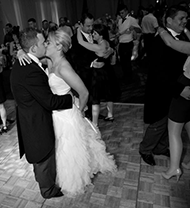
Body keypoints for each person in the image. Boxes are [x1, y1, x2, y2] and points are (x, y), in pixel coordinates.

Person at [45, 29, 117, 196]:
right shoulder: (50, 60)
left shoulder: (63, 67)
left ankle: (73, 180)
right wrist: (20, 52)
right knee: (58, 146)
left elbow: (84, 92)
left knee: (69, 147)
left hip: (67, 113)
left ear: (58, 46)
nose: (45, 44)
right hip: (56, 111)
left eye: (47, 42)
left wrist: (79, 111)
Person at [10, 28, 73, 199]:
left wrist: (20, 51)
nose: (45, 43)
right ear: (33, 49)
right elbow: (50, 102)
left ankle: (43, 181)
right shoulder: (30, 70)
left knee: (41, 155)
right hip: (35, 120)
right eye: (42, 42)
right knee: (44, 154)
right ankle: (48, 190)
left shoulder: (26, 62)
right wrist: (70, 100)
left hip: (30, 116)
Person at [140, 5, 190, 166]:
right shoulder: (160, 41)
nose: (185, 21)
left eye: (186, 18)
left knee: (170, 121)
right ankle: (145, 149)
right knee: (158, 123)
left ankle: (161, 147)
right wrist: (179, 89)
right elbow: (159, 72)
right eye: (181, 18)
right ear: (169, 20)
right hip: (161, 90)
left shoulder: (178, 37)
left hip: (172, 89)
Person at [157, 27, 190, 181]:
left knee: (174, 131)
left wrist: (160, 29)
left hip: (188, 85)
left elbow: (170, 42)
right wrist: (186, 30)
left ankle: (174, 168)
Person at [76, 24, 121, 126]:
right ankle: (110, 115)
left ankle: (95, 123)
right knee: (108, 93)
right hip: (106, 71)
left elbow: (80, 42)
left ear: (101, 35)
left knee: (95, 96)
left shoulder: (98, 47)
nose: (93, 35)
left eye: (95, 33)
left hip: (98, 74)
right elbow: (111, 53)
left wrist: (78, 30)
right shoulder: (106, 42)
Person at [70, 13, 109, 119]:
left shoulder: (95, 35)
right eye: (88, 26)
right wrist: (91, 64)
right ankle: (88, 116)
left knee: (95, 94)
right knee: (87, 94)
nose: (91, 28)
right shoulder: (74, 39)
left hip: (96, 73)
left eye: (92, 25)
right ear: (81, 24)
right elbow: (75, 58)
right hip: (84, 72)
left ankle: (94, 114)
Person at [117, 4, 141, 82]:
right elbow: (119, 31)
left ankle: (129, 78)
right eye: (120, 13)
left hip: (128, 43)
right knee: (122, 62)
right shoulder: (120, 20)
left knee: (127, 62)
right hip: (121, 43)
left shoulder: (131, 19)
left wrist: (133, 27)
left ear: (127, 11)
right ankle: (125, 75)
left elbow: (139, 30)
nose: (121, 15)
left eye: (122, 13)